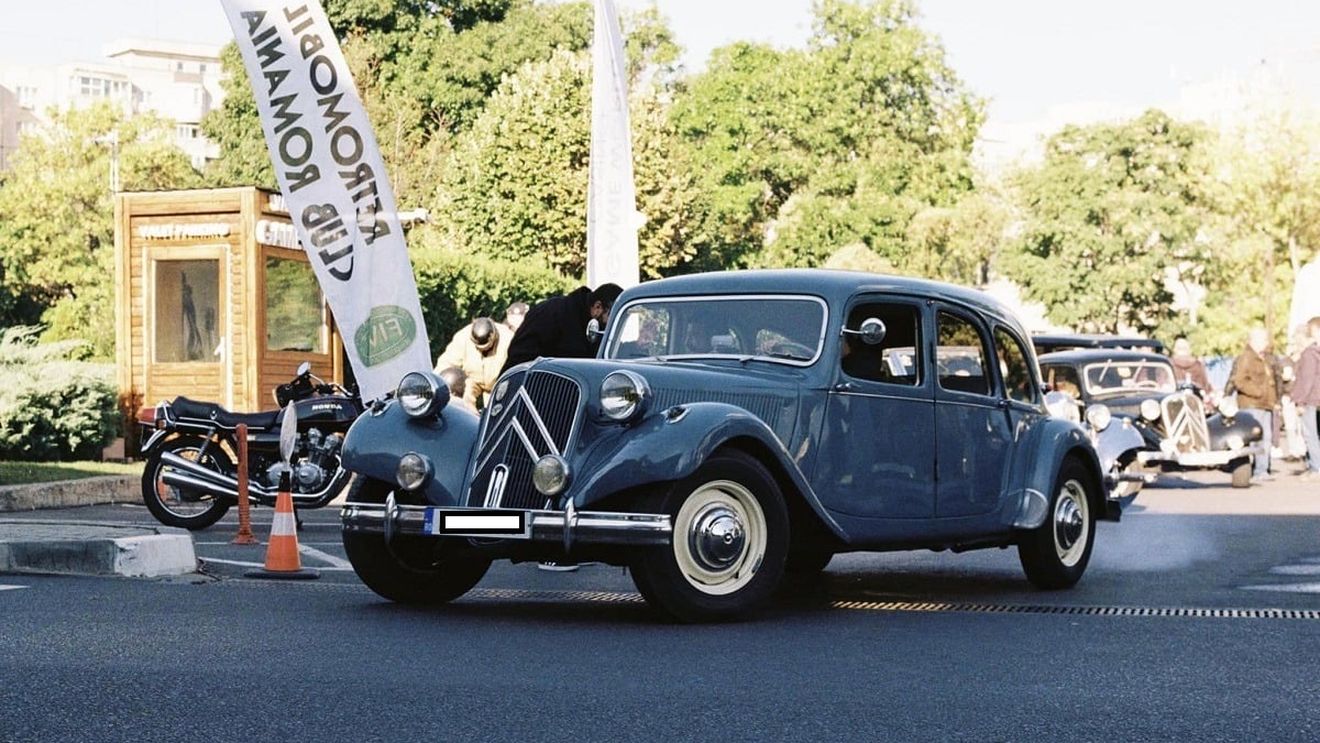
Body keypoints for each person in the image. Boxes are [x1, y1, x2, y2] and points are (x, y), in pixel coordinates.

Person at [501, 284, 623, 374]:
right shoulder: (554, 314)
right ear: (598, 307)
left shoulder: (576, 316)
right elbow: (520, 357)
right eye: (611, 318)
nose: (610, 325)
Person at [1228, 327, 1278, 482]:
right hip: (1252, 404)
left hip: (1265, 404)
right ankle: (1257, 471)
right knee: (1255, 438)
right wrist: (1258, 392)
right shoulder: (1246, 358)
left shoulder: (1265, 358)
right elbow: (1239, 380)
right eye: (1263, 339)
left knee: (1266, 438)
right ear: (1254, 340)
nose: (1266, 342)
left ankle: (1262, 469)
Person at [434, 317, 511, 409]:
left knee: (497, 412)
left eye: (488, 348)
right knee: (465, 406)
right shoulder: (462, 337)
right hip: (472, 380)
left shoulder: (508, 338)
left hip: (500, 383)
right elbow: (446, 364)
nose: (483, 351)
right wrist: (434, 387)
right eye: (479, 349)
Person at [1289, 317, 1320, 479]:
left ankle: (1316, 468)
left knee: (1310, 434)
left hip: (1310, 399)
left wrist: (1300, 401)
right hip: (1316, 398)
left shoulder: (1309, 354)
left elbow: (1306, 379)